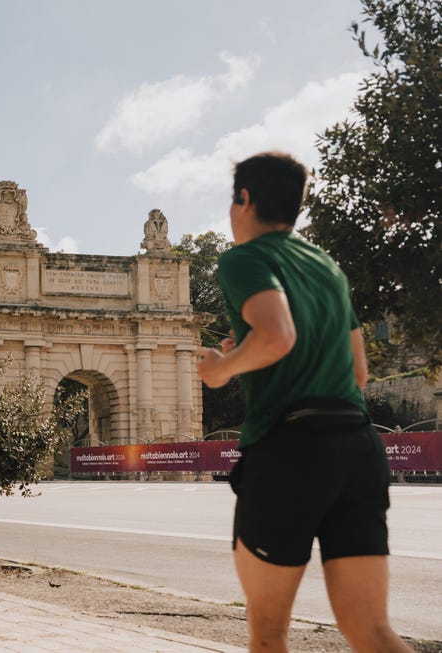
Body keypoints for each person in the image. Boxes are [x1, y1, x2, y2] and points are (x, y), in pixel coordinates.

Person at [196, 152, 412, 653]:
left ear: (245, 200)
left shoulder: (244, 258)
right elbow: (357, 371)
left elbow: (277, 336)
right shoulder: (326, 266)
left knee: (269, 634)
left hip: (290, 451)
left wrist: (220, 368)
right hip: (358, 447)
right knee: (372, 631)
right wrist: (252, 353)